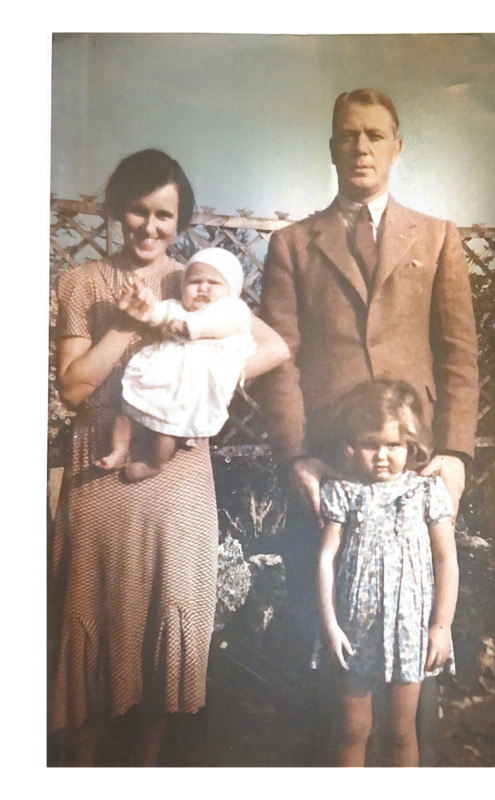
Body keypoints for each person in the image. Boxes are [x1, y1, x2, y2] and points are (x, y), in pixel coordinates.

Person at [48, 148, 289, 766]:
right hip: (101, 461)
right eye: (137, 212)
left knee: (164, 616)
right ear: (115, 212)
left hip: (179, 469)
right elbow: (75, 388)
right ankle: (78, 768)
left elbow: (273, 346)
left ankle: (147, 770)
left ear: (180, 222)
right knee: (91, 622)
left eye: (165, 215)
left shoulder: (198, 283)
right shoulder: (80, 283)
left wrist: (211, 383)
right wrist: (132, 327)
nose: (150, 228)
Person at [258, 88, 478, 764]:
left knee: (414, 659)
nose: (361, 147)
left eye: (375, 135)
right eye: (348, 135)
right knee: (335, 647)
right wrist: (299, 457)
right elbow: (279, 359)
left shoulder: (437, 238)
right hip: (330, 469)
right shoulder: (292, 244)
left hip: (410, 467)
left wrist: (457, 452)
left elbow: (460, 355)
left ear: (397, 148)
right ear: (331, 149)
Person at [314, 380, 458, 767]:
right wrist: (330, 625)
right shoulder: (344, 492)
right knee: (352, 729)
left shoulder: (426, 491)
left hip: (409, 630)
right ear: (351, 446)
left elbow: (446, 560)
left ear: (411, 445)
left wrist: (441, 626)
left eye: (392, 445)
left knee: (401, 731)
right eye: (369, 444)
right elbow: (327, 559)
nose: (381, 455)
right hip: (354, 630)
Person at [96, 247, 256, 482]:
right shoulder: (176, 307)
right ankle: (118, 450)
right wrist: (143, 300)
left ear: (231, 290)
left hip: (192, 385)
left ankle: (154, 464)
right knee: (126, 409)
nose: (202, 288)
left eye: (213, 282)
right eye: (194, 281)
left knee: (167, 429)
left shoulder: (233, 310)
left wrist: (189, 327)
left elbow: (219, 324)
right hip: (161, 374)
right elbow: (156, 313)